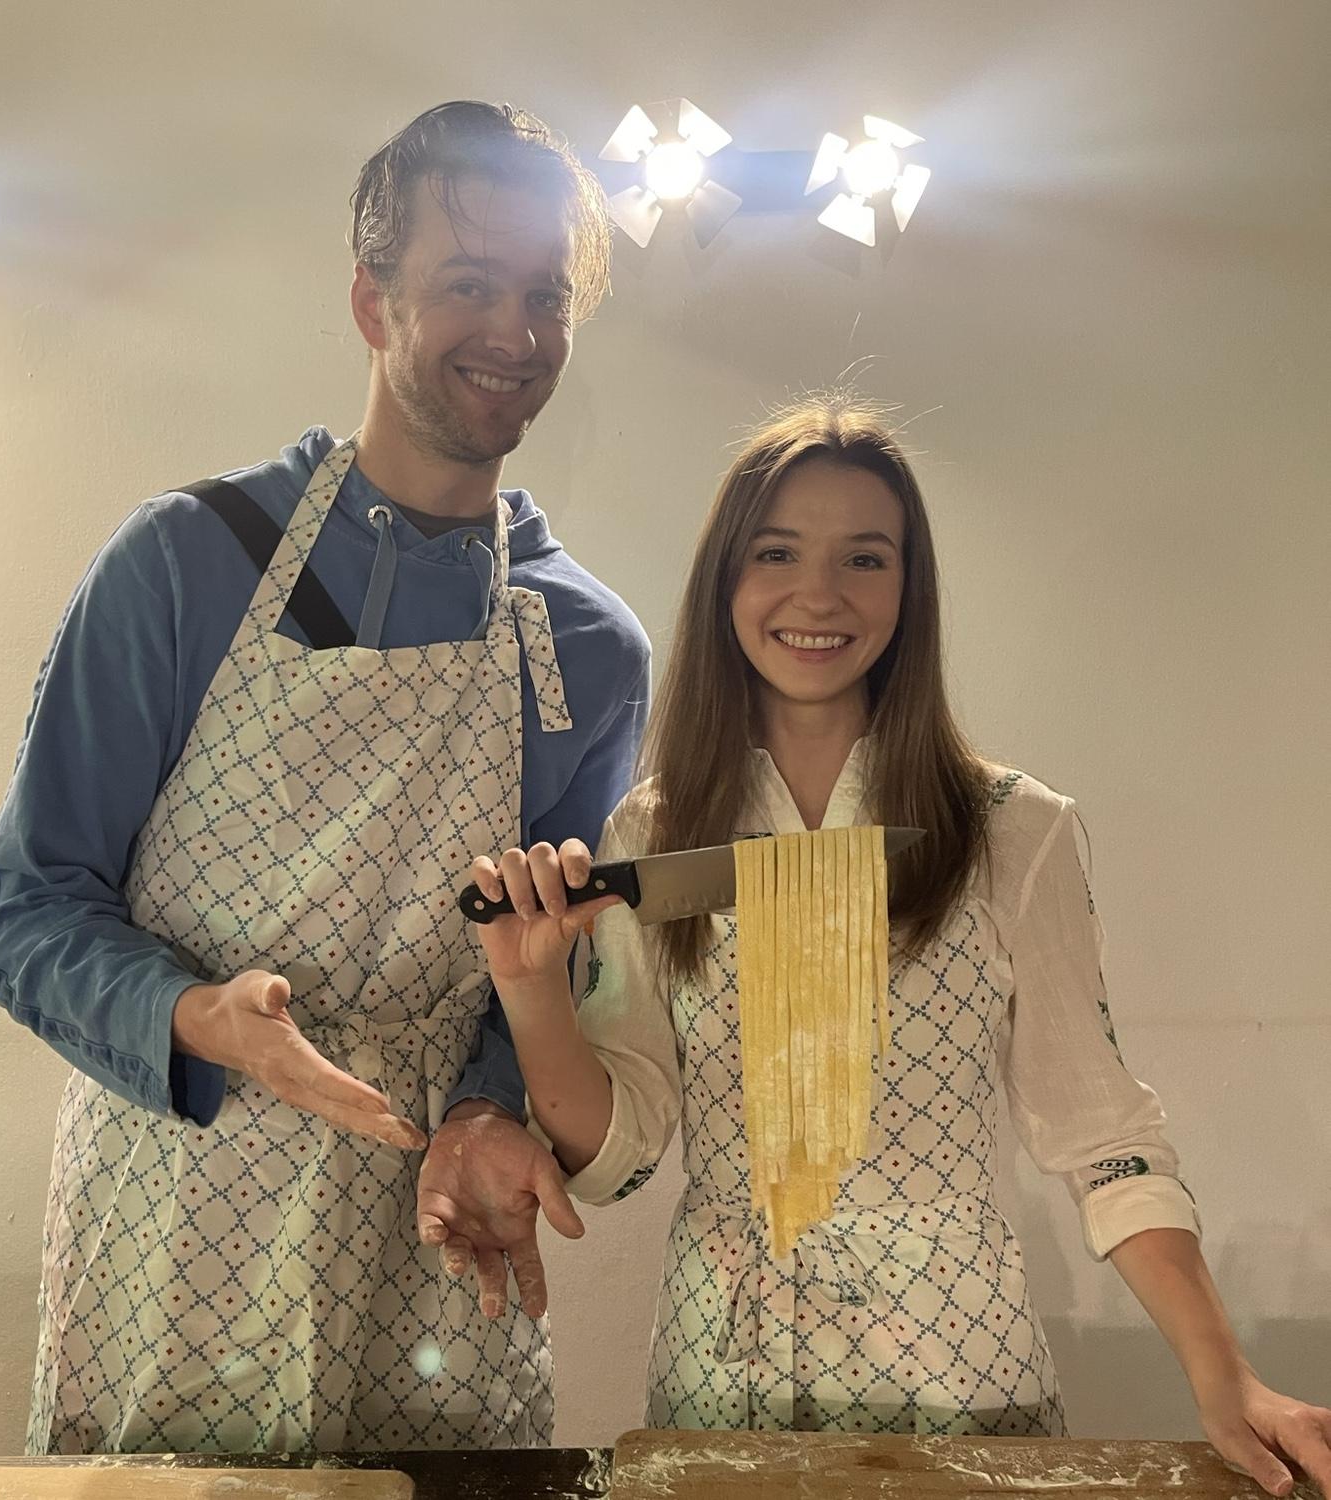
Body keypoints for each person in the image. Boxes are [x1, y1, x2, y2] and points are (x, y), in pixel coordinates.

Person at [468, 395, 1331, 1493]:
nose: (817, 595)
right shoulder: (655, 835)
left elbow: (1100, 1132)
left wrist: (1226, 1376)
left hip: (959, 1374)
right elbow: (617, 1155)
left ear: (908, 591)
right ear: (725, 578)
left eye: (864, 559)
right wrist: (534, 992)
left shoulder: (1015, 830)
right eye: (776, 552)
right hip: (724, 1381)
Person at [0, 100, 649, 1454]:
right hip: (181, 1201)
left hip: (434, 1230)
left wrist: (484, 1108)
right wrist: (194, 1014)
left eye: (543, 295)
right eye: (468, 286)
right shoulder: (185, 562)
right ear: (369, 299)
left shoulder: (587, 648)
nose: (513, 333)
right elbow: (26, 907)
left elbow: (553, 966)